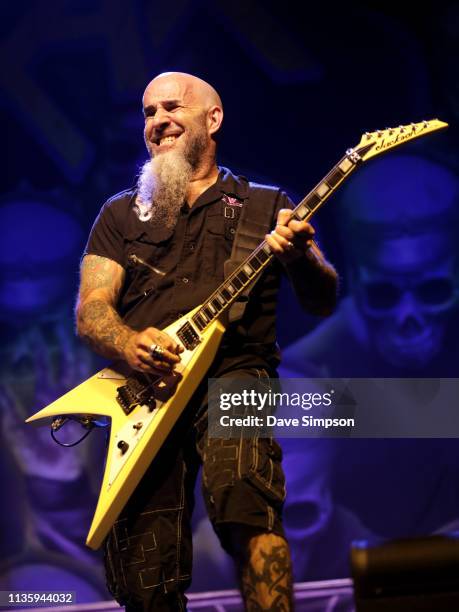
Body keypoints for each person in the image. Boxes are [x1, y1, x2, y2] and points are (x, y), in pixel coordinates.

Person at [75, 71, 337, 611]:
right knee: (143, 571)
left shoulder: (265, 206)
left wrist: (300, 257)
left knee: (247, 498)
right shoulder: (119, 214)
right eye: (148, 113)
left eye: (173, 107)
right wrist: (127, 343)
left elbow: (322, 298)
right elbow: (91, 310)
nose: (158, 122)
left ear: (212, 119)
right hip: (146, 392)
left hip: (237, 371)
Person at [280, 154, 459, 581]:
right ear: (356, 281)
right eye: (384, 294)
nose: (408, 318)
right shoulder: (300, 382)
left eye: (433, 289)